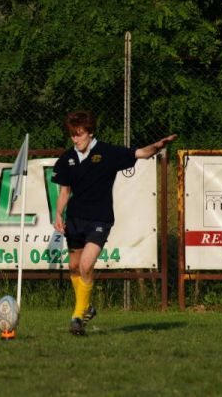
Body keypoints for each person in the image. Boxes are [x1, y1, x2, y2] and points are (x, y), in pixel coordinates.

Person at [52, 110, 176, 335]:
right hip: (75, 219)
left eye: (79, 134)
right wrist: (58, 213)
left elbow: (140, 153)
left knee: (86, 266)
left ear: (90, 133)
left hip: (100, 219)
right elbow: (64, 191)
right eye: (72, 135)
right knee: (73, 266)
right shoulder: (67, 159)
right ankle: (86, 306)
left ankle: (78, 317)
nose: (75, 139)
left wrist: (156, 146)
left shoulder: (107, 152)